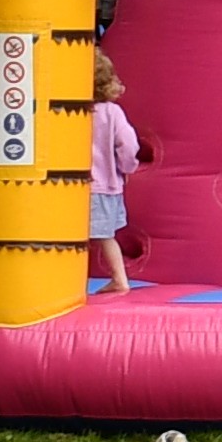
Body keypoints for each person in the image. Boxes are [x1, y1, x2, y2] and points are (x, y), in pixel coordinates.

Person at [85, 47, 143, 294]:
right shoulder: (111, 112)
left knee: (93, 235)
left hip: (86, 185)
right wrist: (127, 167)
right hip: (104, 183)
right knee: (103, 234)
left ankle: (120, 279)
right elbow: (128, 144)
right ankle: (119, 278)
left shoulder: (70, 113)